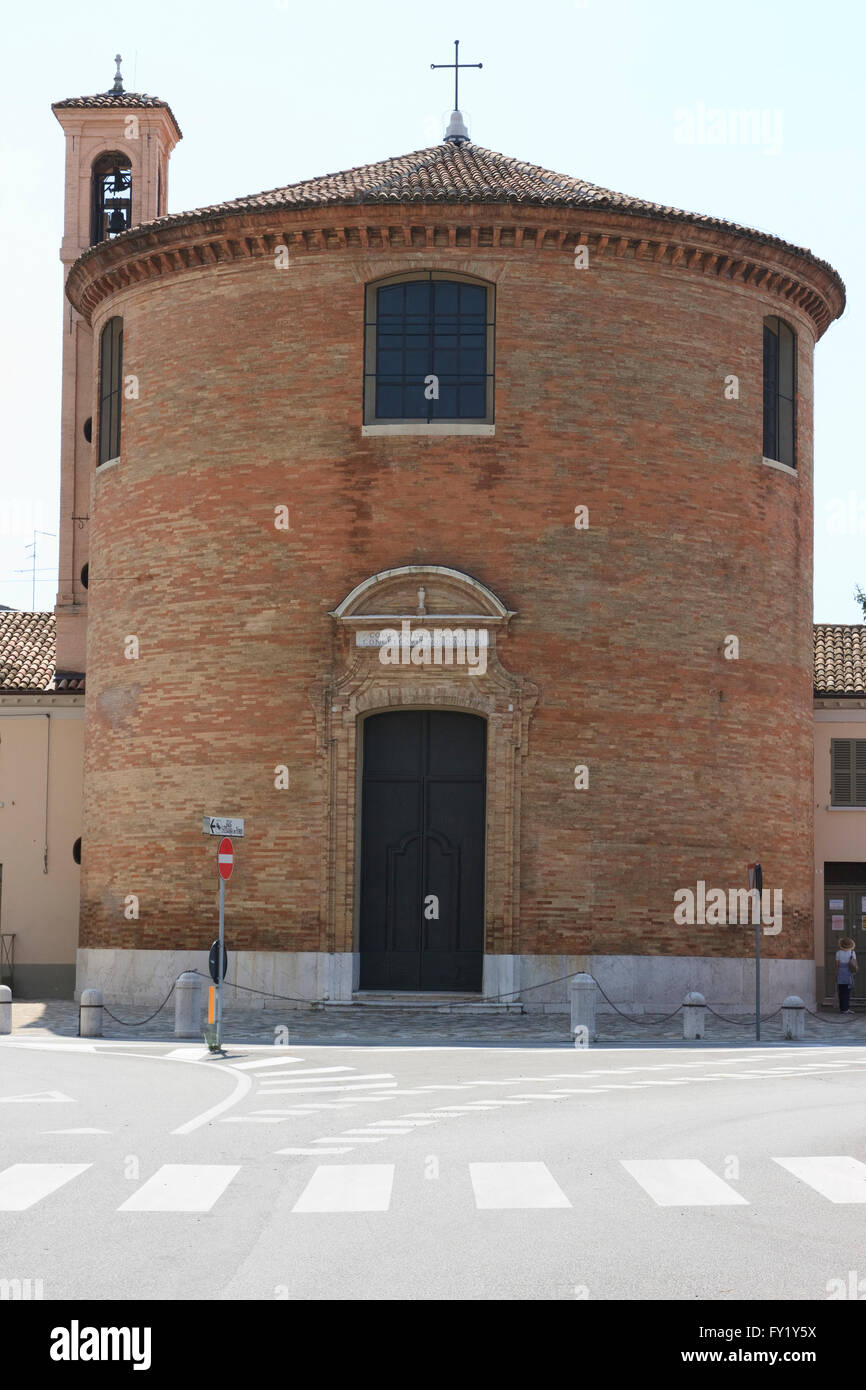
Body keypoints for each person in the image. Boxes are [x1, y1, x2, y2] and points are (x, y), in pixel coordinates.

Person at [835, 936, 857, 1014]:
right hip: (848, 974)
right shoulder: (852, 952)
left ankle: (842, 1008)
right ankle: (846, 1008)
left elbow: (837, 965)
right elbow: (855, 964)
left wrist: (836, 974)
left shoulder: (838, 953)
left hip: (841, 973)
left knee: (841, 991)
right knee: (847, 992)